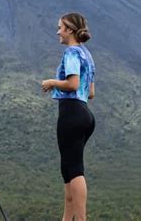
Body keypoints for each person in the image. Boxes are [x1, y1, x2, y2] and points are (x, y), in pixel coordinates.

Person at [41, 12, 96, 221]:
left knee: (74, 170)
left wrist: (52, 82)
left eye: (60, 28)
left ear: (70, 30)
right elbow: (90, 92)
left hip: (71, 113)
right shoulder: (87, 55)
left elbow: (72, 84)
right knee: (68, 171)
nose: (58, 32)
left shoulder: (72, 53)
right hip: (84, 113)